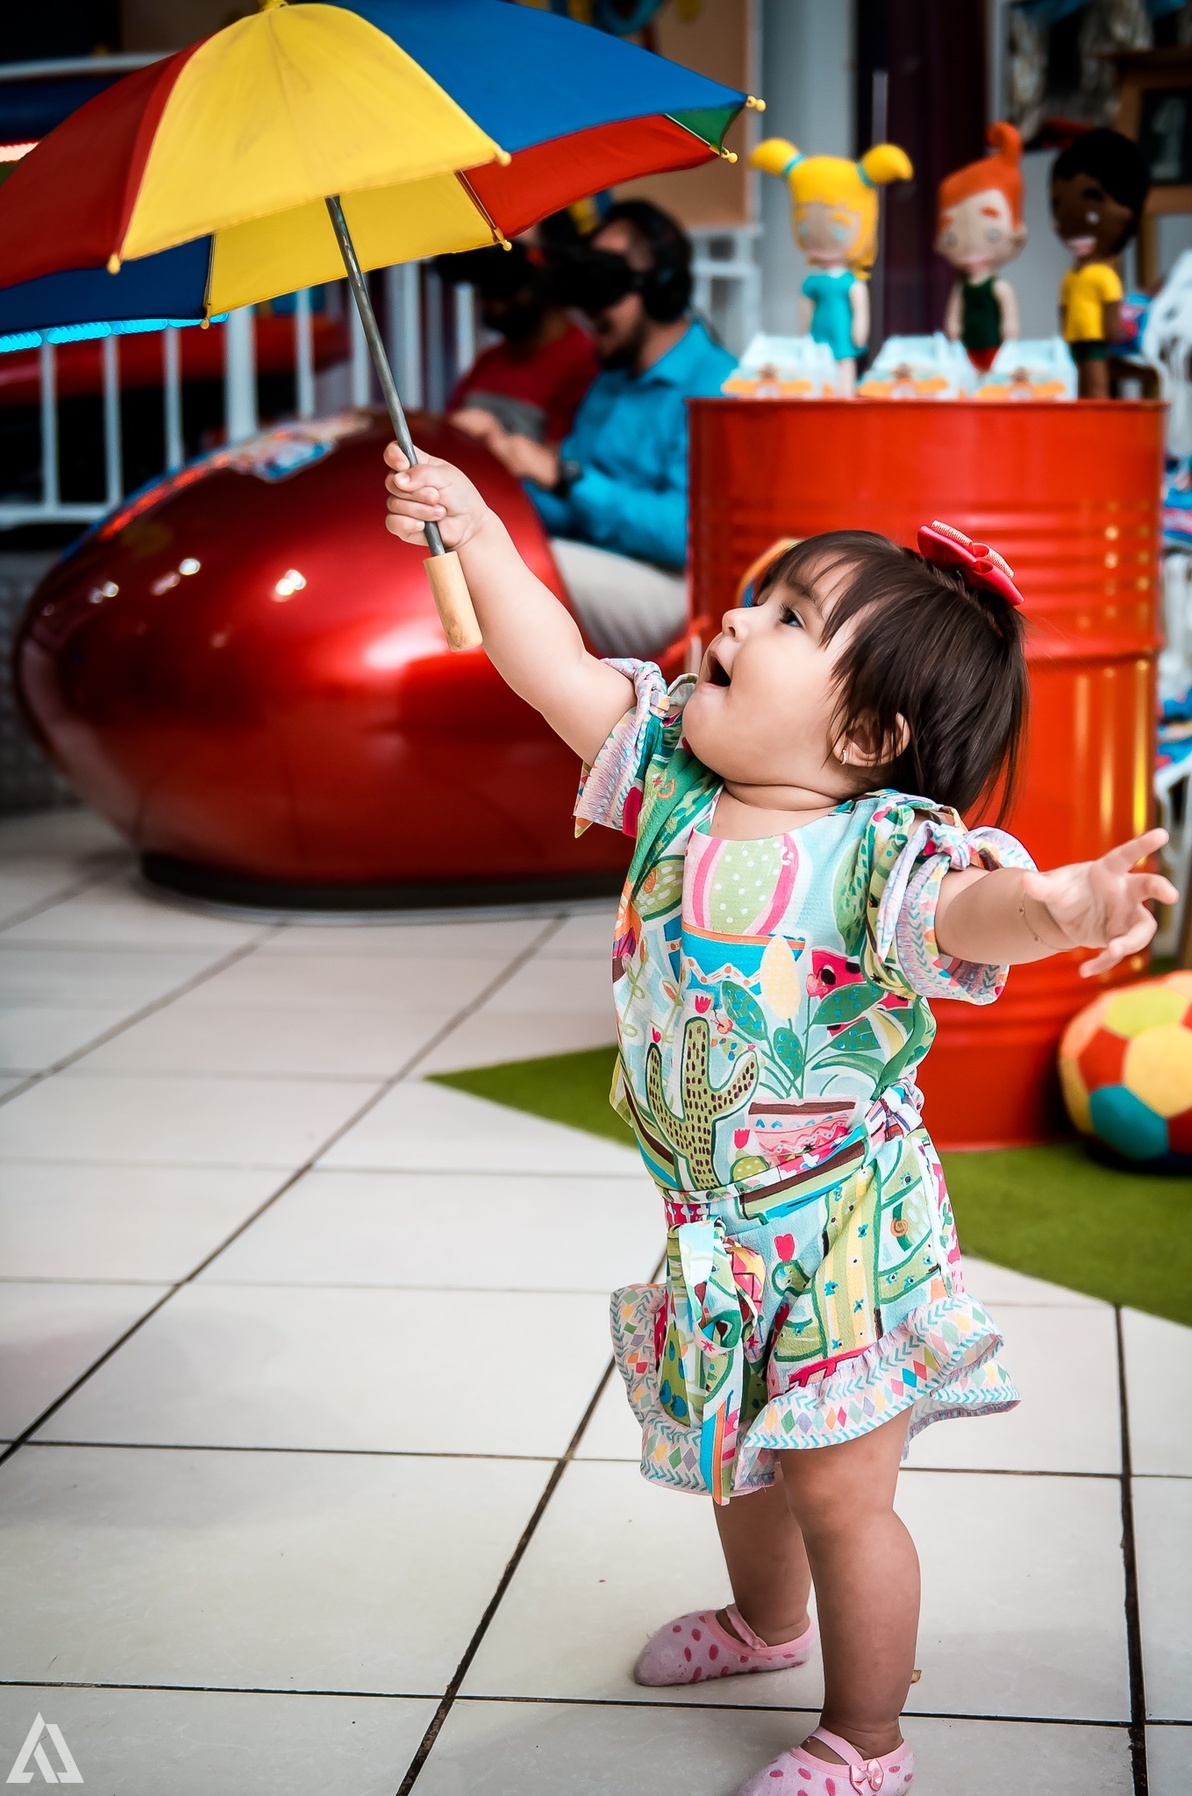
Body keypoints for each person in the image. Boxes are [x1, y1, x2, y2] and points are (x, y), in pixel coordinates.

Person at [385, 448, 1177, 1795]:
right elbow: (551, 663)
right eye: (756, 600)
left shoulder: (881, 857)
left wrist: (1058, 911)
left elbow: (969, 917)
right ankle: (765, 1625)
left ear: (864, 741)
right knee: (736, 1460)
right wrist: (473, 531)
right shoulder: (667, 788)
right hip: (716, 1230)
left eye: (787, 617)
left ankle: (866, 1741)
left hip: (848, 1239)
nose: (734, 621)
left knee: (836, 1493)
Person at [477, 199, 737, 660]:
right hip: (597, 558)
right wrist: (488, 492)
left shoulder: (716, 385)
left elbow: (687, 536)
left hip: (675, 588)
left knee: (496, 571)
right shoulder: (610, 380)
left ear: (660, 290)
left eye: (605, 286)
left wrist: (565, 476)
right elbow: (573, 511)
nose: (589, 311)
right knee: (476, 545)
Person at [750, 139, 912, 395]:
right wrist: (803, 332)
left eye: (838, 229)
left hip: (841, 331)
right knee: (816, 365)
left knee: (844, 363)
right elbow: (805, 309)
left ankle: (845, 394)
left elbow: (859, 308)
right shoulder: (813, 283)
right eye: (804, 227)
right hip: (819, 331)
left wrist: (860, 330)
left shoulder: (851, 282)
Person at [438, 224, 598, 446]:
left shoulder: (584, 365)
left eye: (505, 287)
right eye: (486, 289)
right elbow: (446, 432)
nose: (495, 307)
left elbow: (563, 466)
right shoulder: (489, 360)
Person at [1050, 127, 1150, 400]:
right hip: (1075, 339)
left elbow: (1111, 308)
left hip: (1095, 339)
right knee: (1075, 382)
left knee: (1095, 381)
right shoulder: (1070, 278)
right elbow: (1064, 308)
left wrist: (1111, 333)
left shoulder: (1104, 277)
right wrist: (1064, 334)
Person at [936, 122, 1028, 372]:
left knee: (993, 374)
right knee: (968, 373)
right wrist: (952, 327)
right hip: (969, 342)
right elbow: (955, 311)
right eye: (952, 238)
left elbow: (1008, 311)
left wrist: (1010, 328)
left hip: (992, 342)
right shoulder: (962, 286)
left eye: (990, 232)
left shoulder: (997, 286)